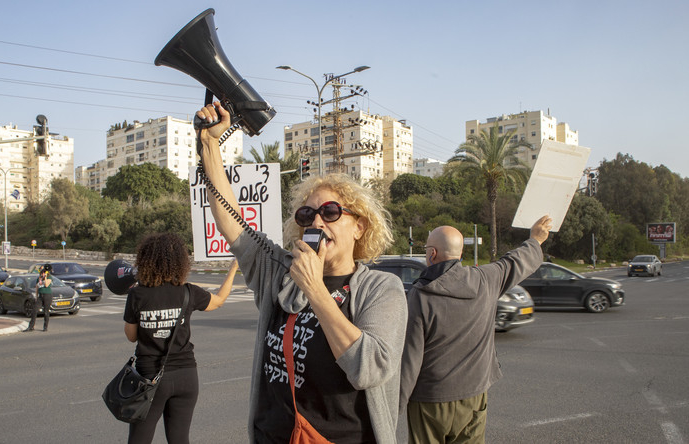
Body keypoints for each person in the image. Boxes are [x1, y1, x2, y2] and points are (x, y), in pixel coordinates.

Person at [196, 103, 407, 443]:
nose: (317, 222)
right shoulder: (281, 273)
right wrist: (209, 144)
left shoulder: (381, 288)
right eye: (307, 215)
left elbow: (369, 369)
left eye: (331, 212)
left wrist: (316, 290)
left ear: (359, 227)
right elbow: (230, 219)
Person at [399, 215, 553, 444]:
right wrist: (535, 240)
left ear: (432, 254)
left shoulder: (420, 296)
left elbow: (410, 359)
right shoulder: (485, 280)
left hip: (429, 401)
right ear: (460, 254)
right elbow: (515, 262)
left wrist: (393, 407)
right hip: (474, 395)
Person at [123, 233, 240, 444]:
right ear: (179, 262)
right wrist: (233, 269)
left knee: (139, 439)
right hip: (187, 376)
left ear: (145, 261)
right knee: (179, 439)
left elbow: (131, 336)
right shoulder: (188, 292)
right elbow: (220, 300)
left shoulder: (137, 295)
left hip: (151, 378)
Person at [25, 264, 53, 332]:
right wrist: (36, 296)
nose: (42, 273)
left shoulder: (49, 277)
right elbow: (37, 288)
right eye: (41, 272)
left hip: (47, 295)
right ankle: (31, 326)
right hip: (40, 295)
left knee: (46, 312)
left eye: (43, 272)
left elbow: (46, 285)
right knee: (34, 310)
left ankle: (45, 327)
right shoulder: (39, 279)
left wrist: (45, 277)